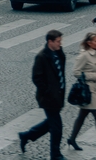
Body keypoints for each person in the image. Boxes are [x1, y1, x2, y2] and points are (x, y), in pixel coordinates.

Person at [18, 29, 66, 160]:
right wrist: (48, 91)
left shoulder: (58, 53)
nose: (60, 44)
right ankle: (55, 155)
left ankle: (26, 136)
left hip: (58, 96)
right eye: (58, 42)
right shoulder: (42, 57)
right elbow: (37, 78)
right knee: (57, 127)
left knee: (49, 124)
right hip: (48, 98)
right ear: (50, 42)